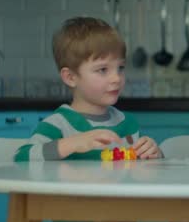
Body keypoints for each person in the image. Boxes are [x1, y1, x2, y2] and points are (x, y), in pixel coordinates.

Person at [15, 17, 161, 161]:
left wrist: (155, 153)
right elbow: (22, 157)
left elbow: (152, 167)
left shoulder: (128, 124)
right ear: (71, 77)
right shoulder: (58, 124)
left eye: (120, 68)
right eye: (103, 70)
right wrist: (71, 143)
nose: (117, 78)